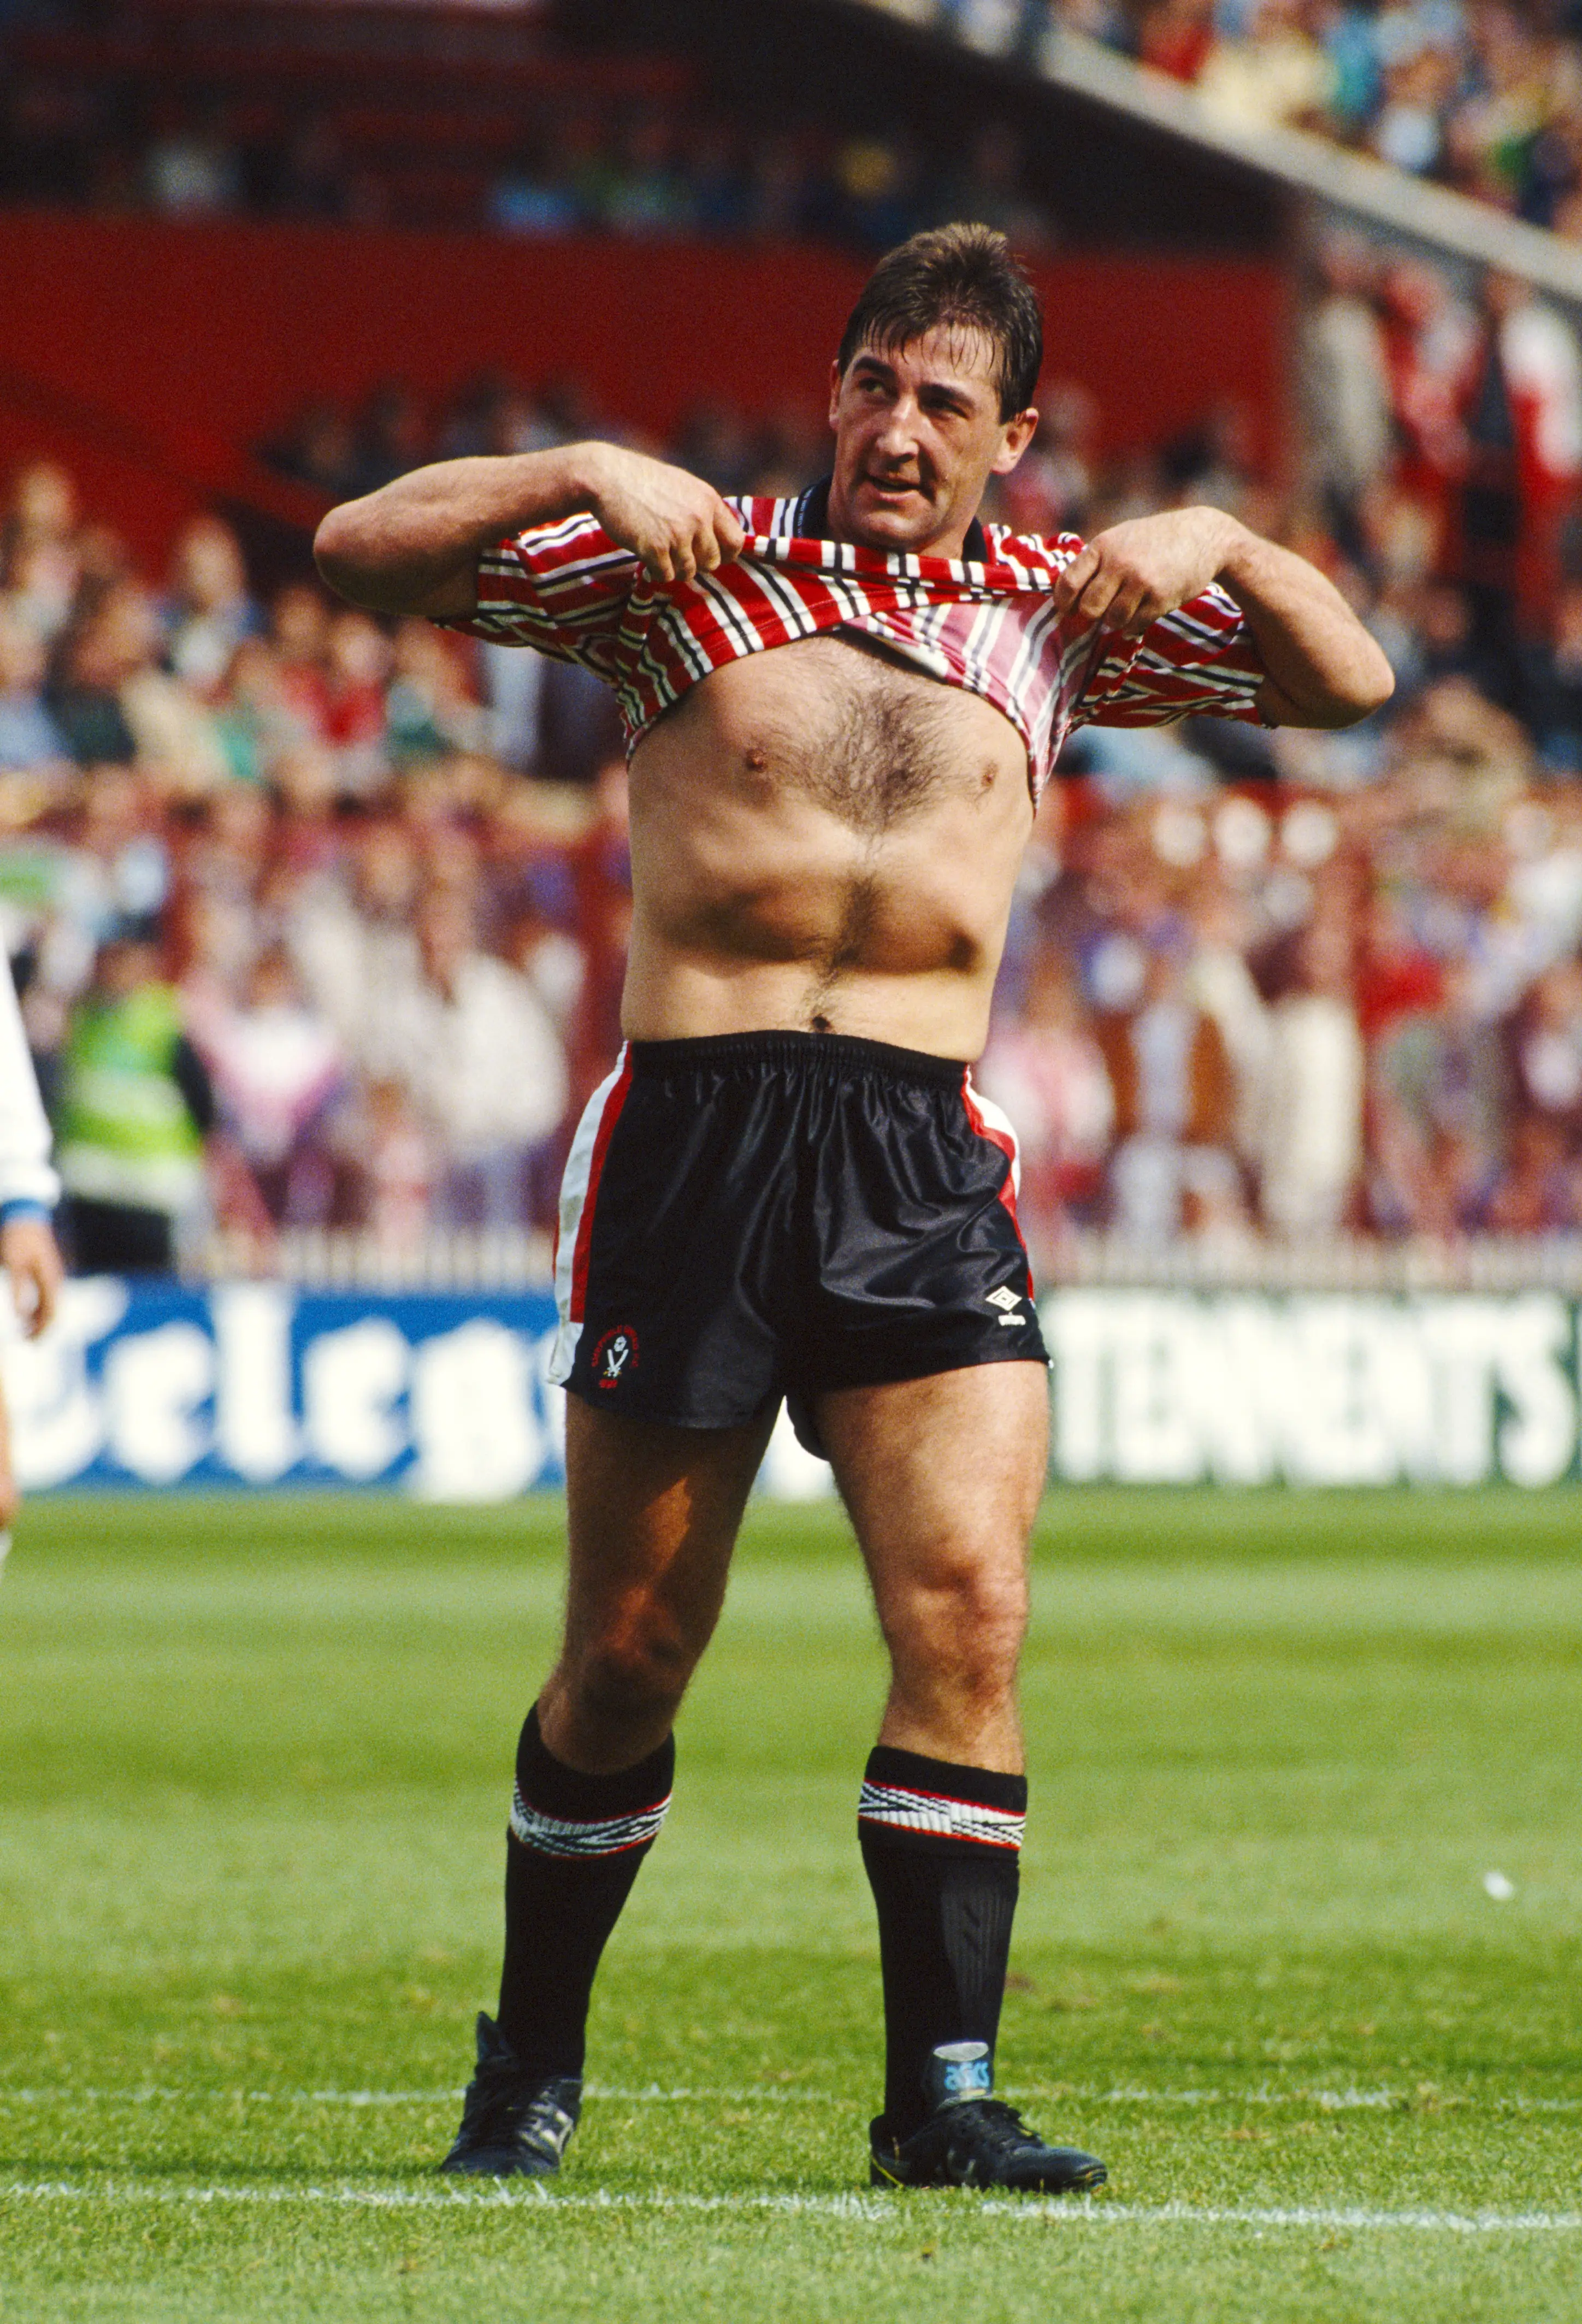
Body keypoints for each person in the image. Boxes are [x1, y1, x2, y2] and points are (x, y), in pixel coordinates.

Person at [315, 224, 1392, 2193]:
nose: (901, 432)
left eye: (946, 405)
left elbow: (1353, 679)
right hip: (696, 1130)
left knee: (970, 1612)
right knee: (636, 1648)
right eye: (876, 385)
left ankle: (942, 2098)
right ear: (836, 389)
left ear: (1014, 437)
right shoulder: (690, 566)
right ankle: (529, 2066)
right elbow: (356, 552)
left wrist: (1222, 533)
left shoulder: (1057, 617)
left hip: (918, 1151)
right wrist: (571, 469)